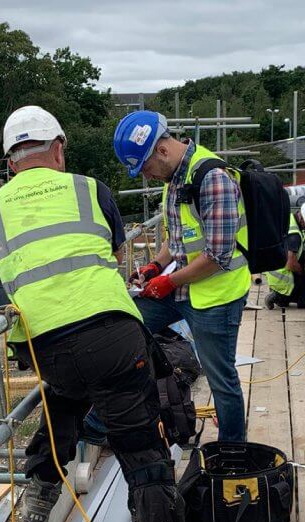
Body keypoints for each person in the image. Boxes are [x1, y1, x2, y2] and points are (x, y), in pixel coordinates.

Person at [0, 106, 186, 522]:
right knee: (140, 446)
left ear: (10, 163)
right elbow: (112, 251)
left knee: (65, 395)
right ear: (58, 149)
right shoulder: (89, 188)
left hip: (44, 344)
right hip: (112, 333)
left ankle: (42, 485)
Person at [113, 110, 250, 442]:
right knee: (129, 326)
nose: (146, 176)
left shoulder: (212, 178)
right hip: (183, 288)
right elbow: (176, 238)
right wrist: (154, 267)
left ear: (162, 150)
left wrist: (168, 281)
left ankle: (233, 451)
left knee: (221, 380)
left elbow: (217, 256)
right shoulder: (173, 178)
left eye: (145, 168)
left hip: (217, 296)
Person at [263, 203, 305, 310]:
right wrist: (302, 274)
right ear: (302, 219)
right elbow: (291, 264)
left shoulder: (292, 218)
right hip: (282, 277)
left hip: (275, 266)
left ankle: (283, 297)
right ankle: (279, 296)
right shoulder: (294, 236)